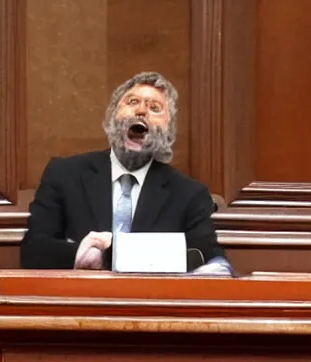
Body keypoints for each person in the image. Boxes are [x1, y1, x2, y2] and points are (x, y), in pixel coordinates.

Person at [20, 71, 232, 273]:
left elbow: (202, 258)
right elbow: (34, 250)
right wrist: (78, 254)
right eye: (132, 102)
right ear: (113, 116)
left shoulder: (189, 195)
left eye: (155, 108)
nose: (141, 111)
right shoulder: (64, 175)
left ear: (167, 129)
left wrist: (106, 256)